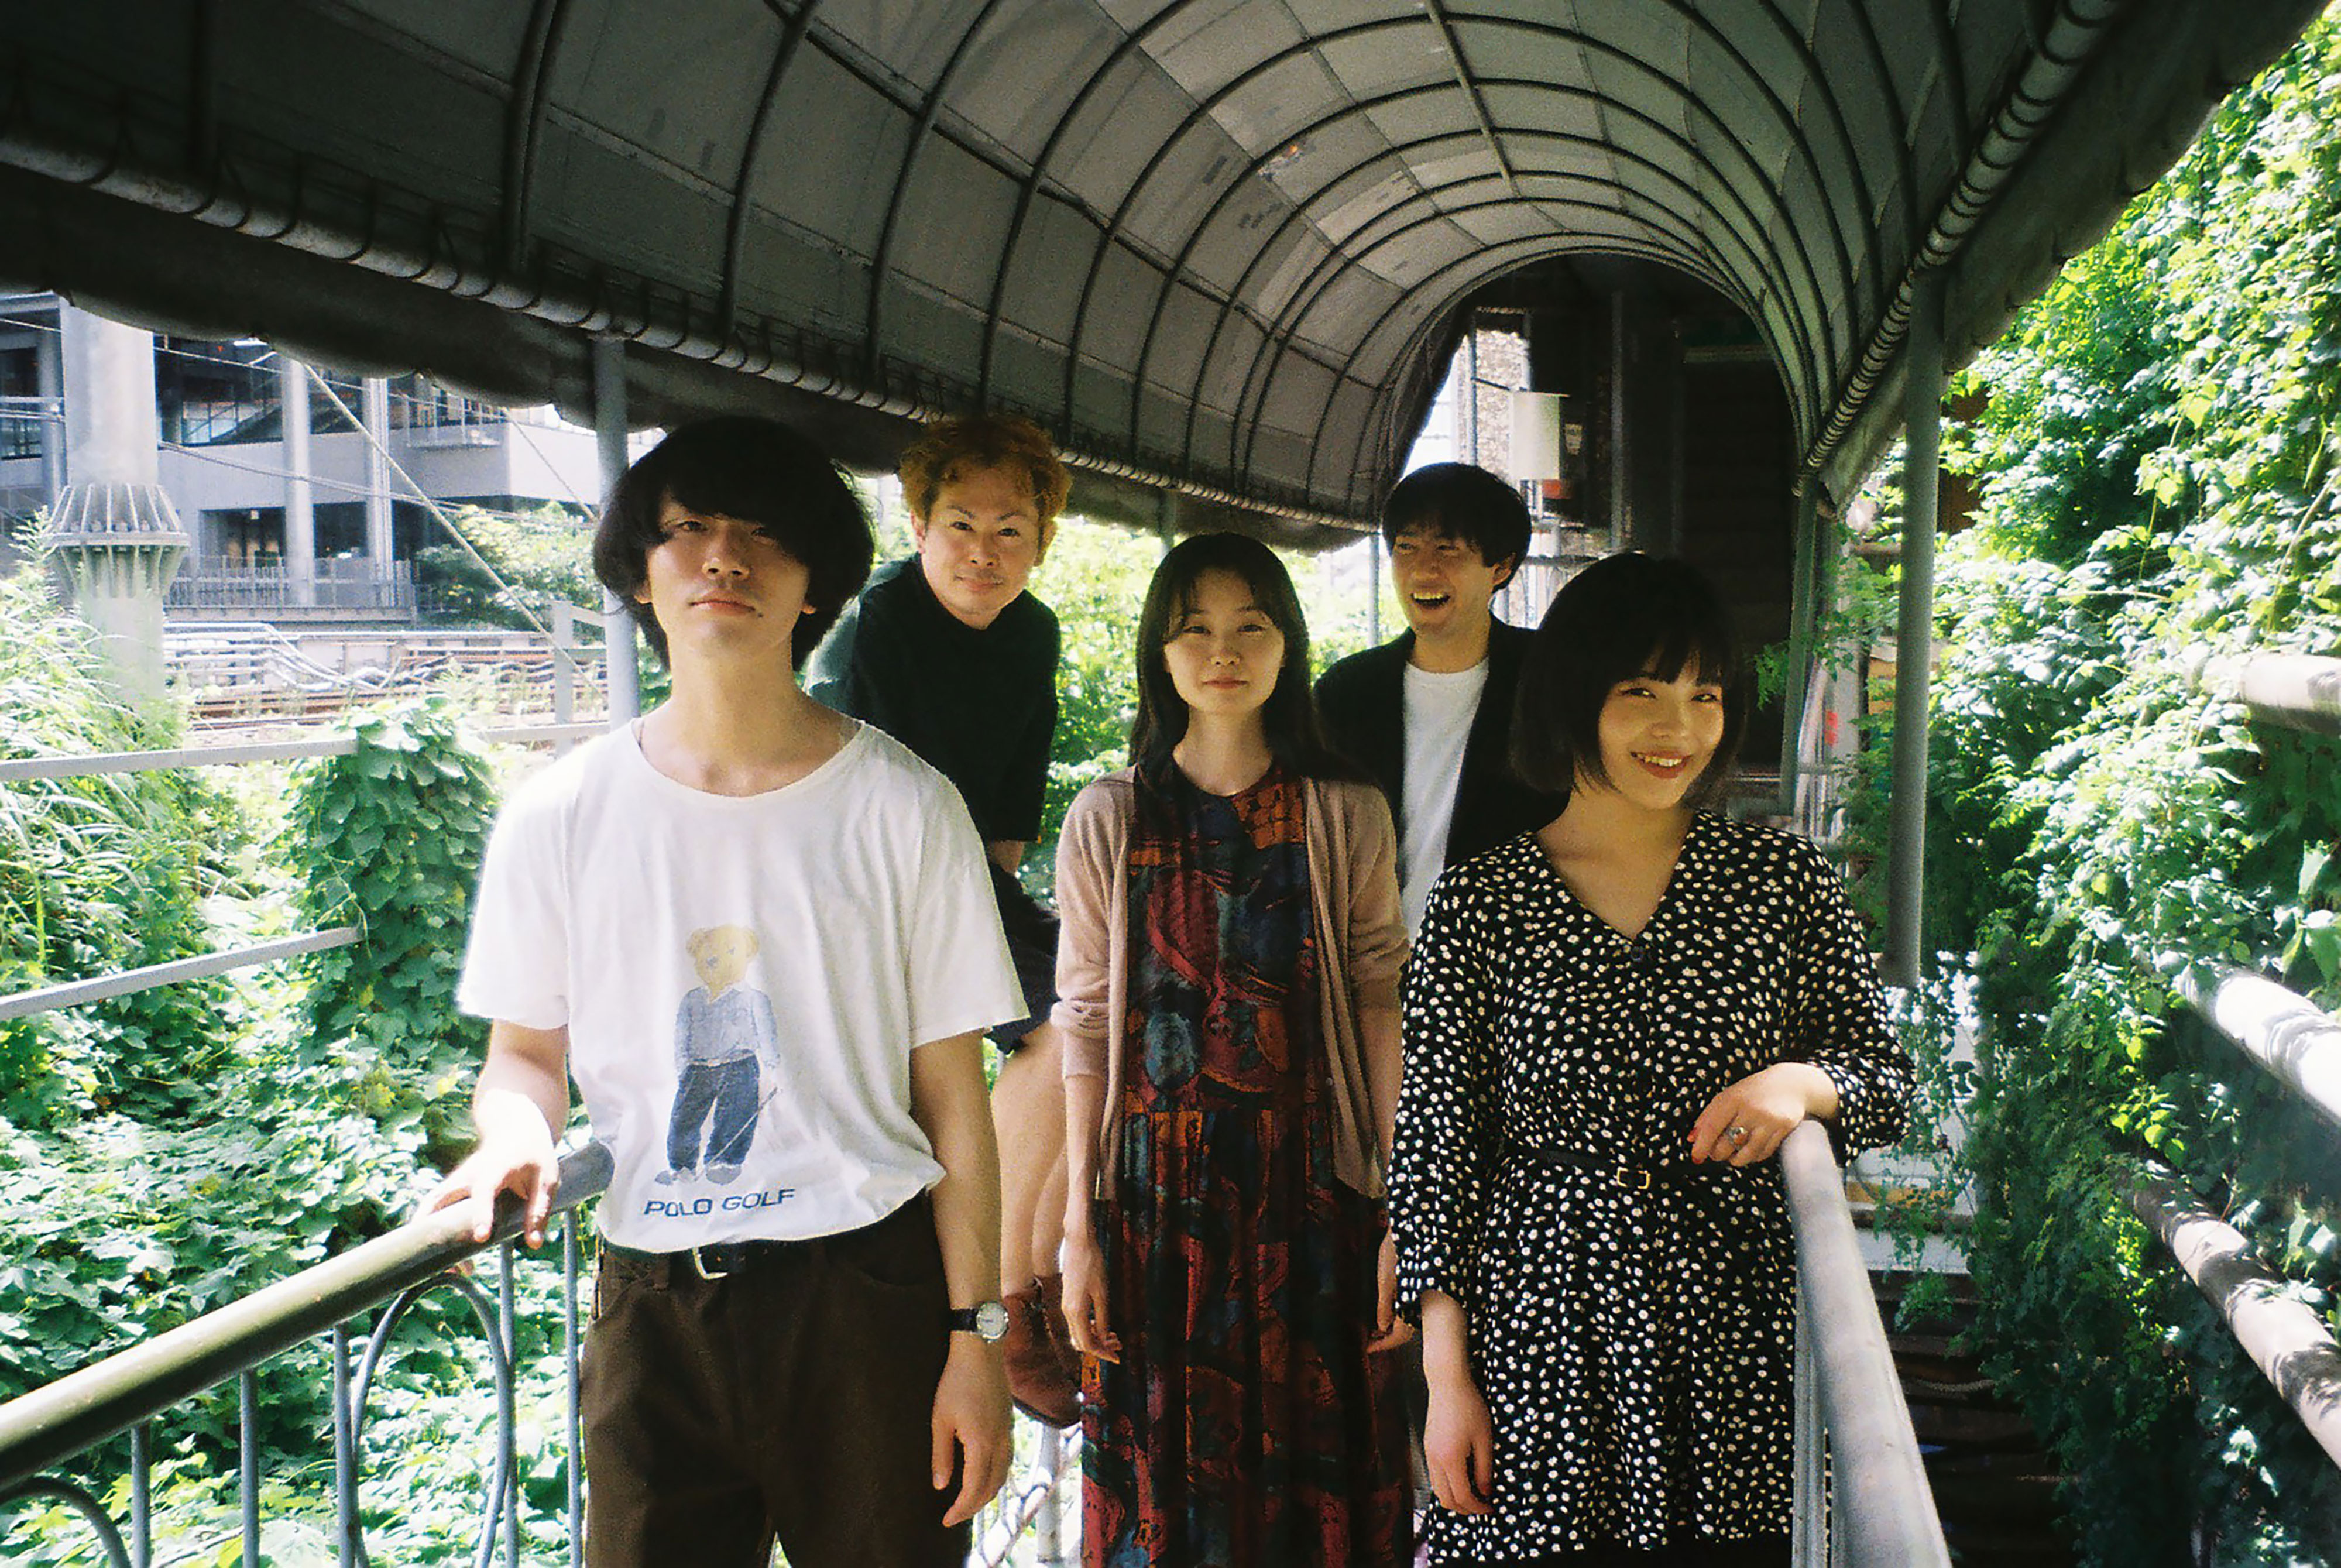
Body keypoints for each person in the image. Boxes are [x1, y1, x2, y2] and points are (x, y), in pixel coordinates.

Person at [424, 416, 1021, 1567]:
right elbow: (525, 1055)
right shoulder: (560, 813)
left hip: (868, 1296)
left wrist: (976, 1336)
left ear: (815, 583)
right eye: (687, 527)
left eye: (763, 532)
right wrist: (513, 1135)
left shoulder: (905, 806)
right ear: (640, 574)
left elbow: (955, 1098)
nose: (724, 557)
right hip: (656, 1308)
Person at [1388, 553, 1914, 1565]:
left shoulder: (1781, 878)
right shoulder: (1479, 902)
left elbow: (1881, 1074)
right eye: (1641, 692)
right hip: (1542, 1326)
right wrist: (1446, 1378)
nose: (1678, 728)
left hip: (1735, 1323)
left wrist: (1799, 1082)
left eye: (1704, 695)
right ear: (1575, 697)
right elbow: (1437, 1147)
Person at [1055, 531, 1416, 1568]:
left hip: (1314, 1199)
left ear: (1287, 644)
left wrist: (1401, 1203)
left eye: (1251, 626)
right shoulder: (1107, 815)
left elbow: (1379, 1001)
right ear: (1160, 653)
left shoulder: (1344, 808)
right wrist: (1079, 1222)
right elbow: (1086, 1022)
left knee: (1317, 1489)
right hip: (1153, 1208)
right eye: (1196, 629)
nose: (1224, 651)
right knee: (1168, 1498)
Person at [806, 409, 1080, 1421]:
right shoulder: (876, 621)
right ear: (919, 525)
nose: (983, 552)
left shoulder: (1034, 631)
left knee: (1100, 1012)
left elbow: (1009, 813)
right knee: (1030, 1035)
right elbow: (846, 805)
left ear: (1040, 542)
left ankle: (1031, 1282)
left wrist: (992, 924)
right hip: (864, 890)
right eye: (960, 524)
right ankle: (999, 1295)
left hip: (968, 878)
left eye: (1011, 530)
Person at [1316, 462, 1567, 936]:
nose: (1423, 569)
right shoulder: (1347, 691)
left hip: (1511, 954)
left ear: (1501, 567)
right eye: (1406, 547)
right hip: (1375, 958)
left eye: (1448, 549)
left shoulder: (1550, 681)